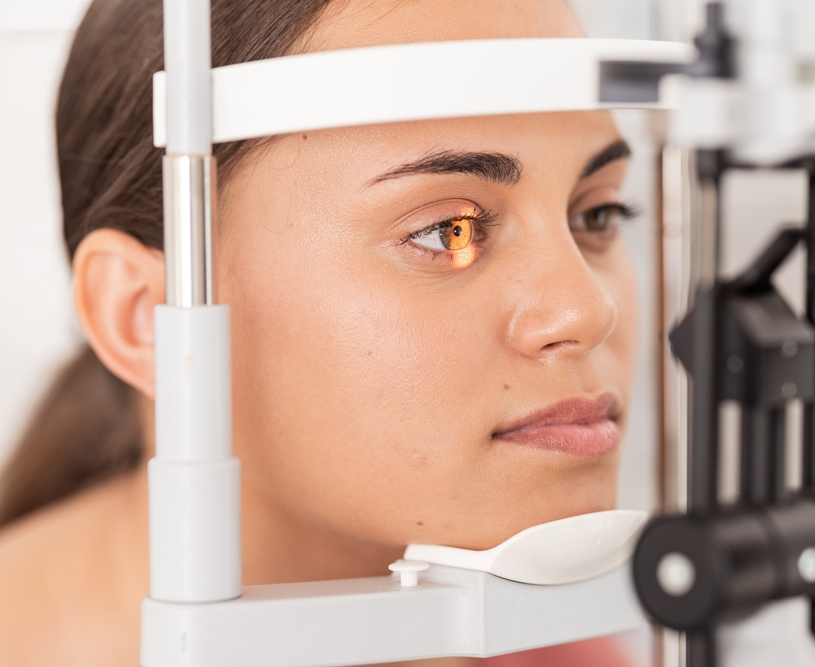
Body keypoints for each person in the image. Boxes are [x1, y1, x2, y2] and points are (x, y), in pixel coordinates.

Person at [0, 0, 640, 664]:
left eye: (597, 215)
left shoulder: (560, 638)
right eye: (447, 232)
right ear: (146, 320)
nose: (586, 313)